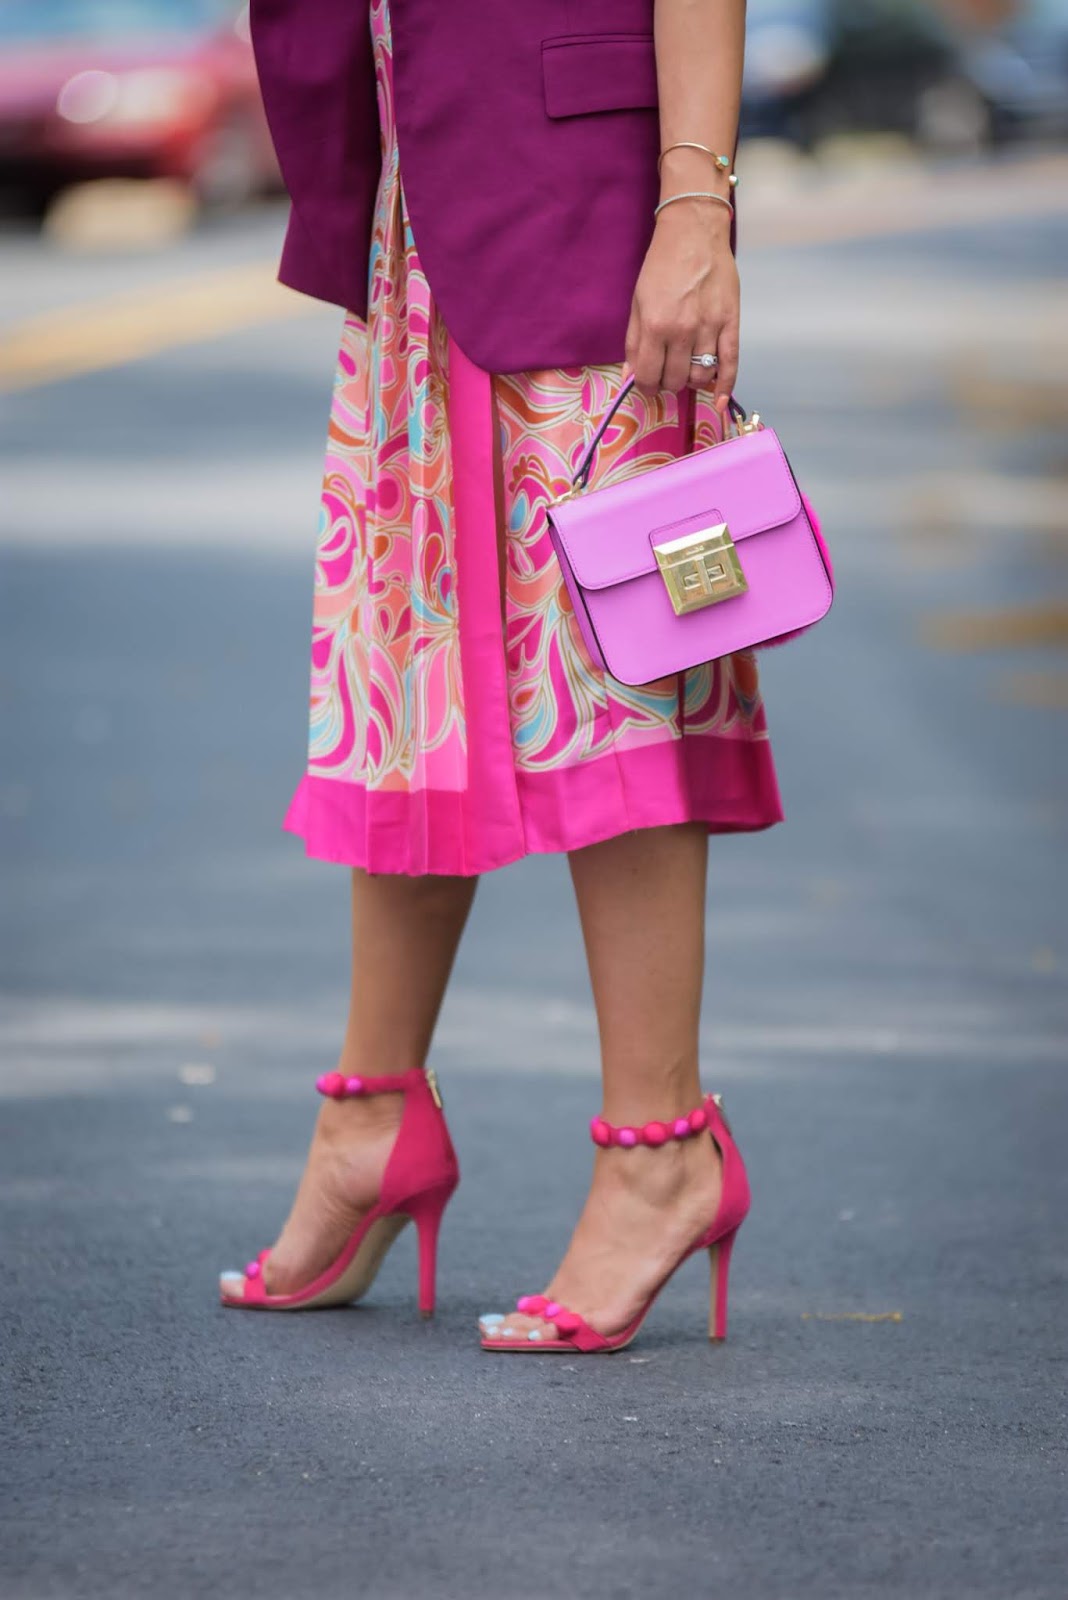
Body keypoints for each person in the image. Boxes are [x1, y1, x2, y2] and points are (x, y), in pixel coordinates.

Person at [220, 0, 780, 1353]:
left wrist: (694, 208)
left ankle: (662, 1148)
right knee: (404, 673)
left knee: (616, 661)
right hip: (416, 200)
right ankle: (370, 1119)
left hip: (586, 193)